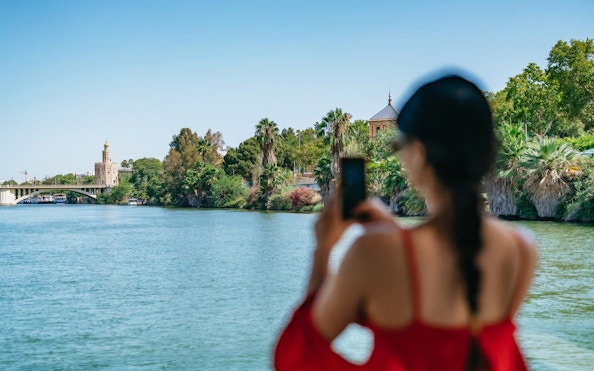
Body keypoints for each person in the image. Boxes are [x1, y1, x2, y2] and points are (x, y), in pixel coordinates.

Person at [274, 74, 538, 370]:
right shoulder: (521, 249)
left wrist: (323, 248)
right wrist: (393, 234)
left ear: (419, 153)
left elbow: (298, 355)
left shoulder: (374, 251)